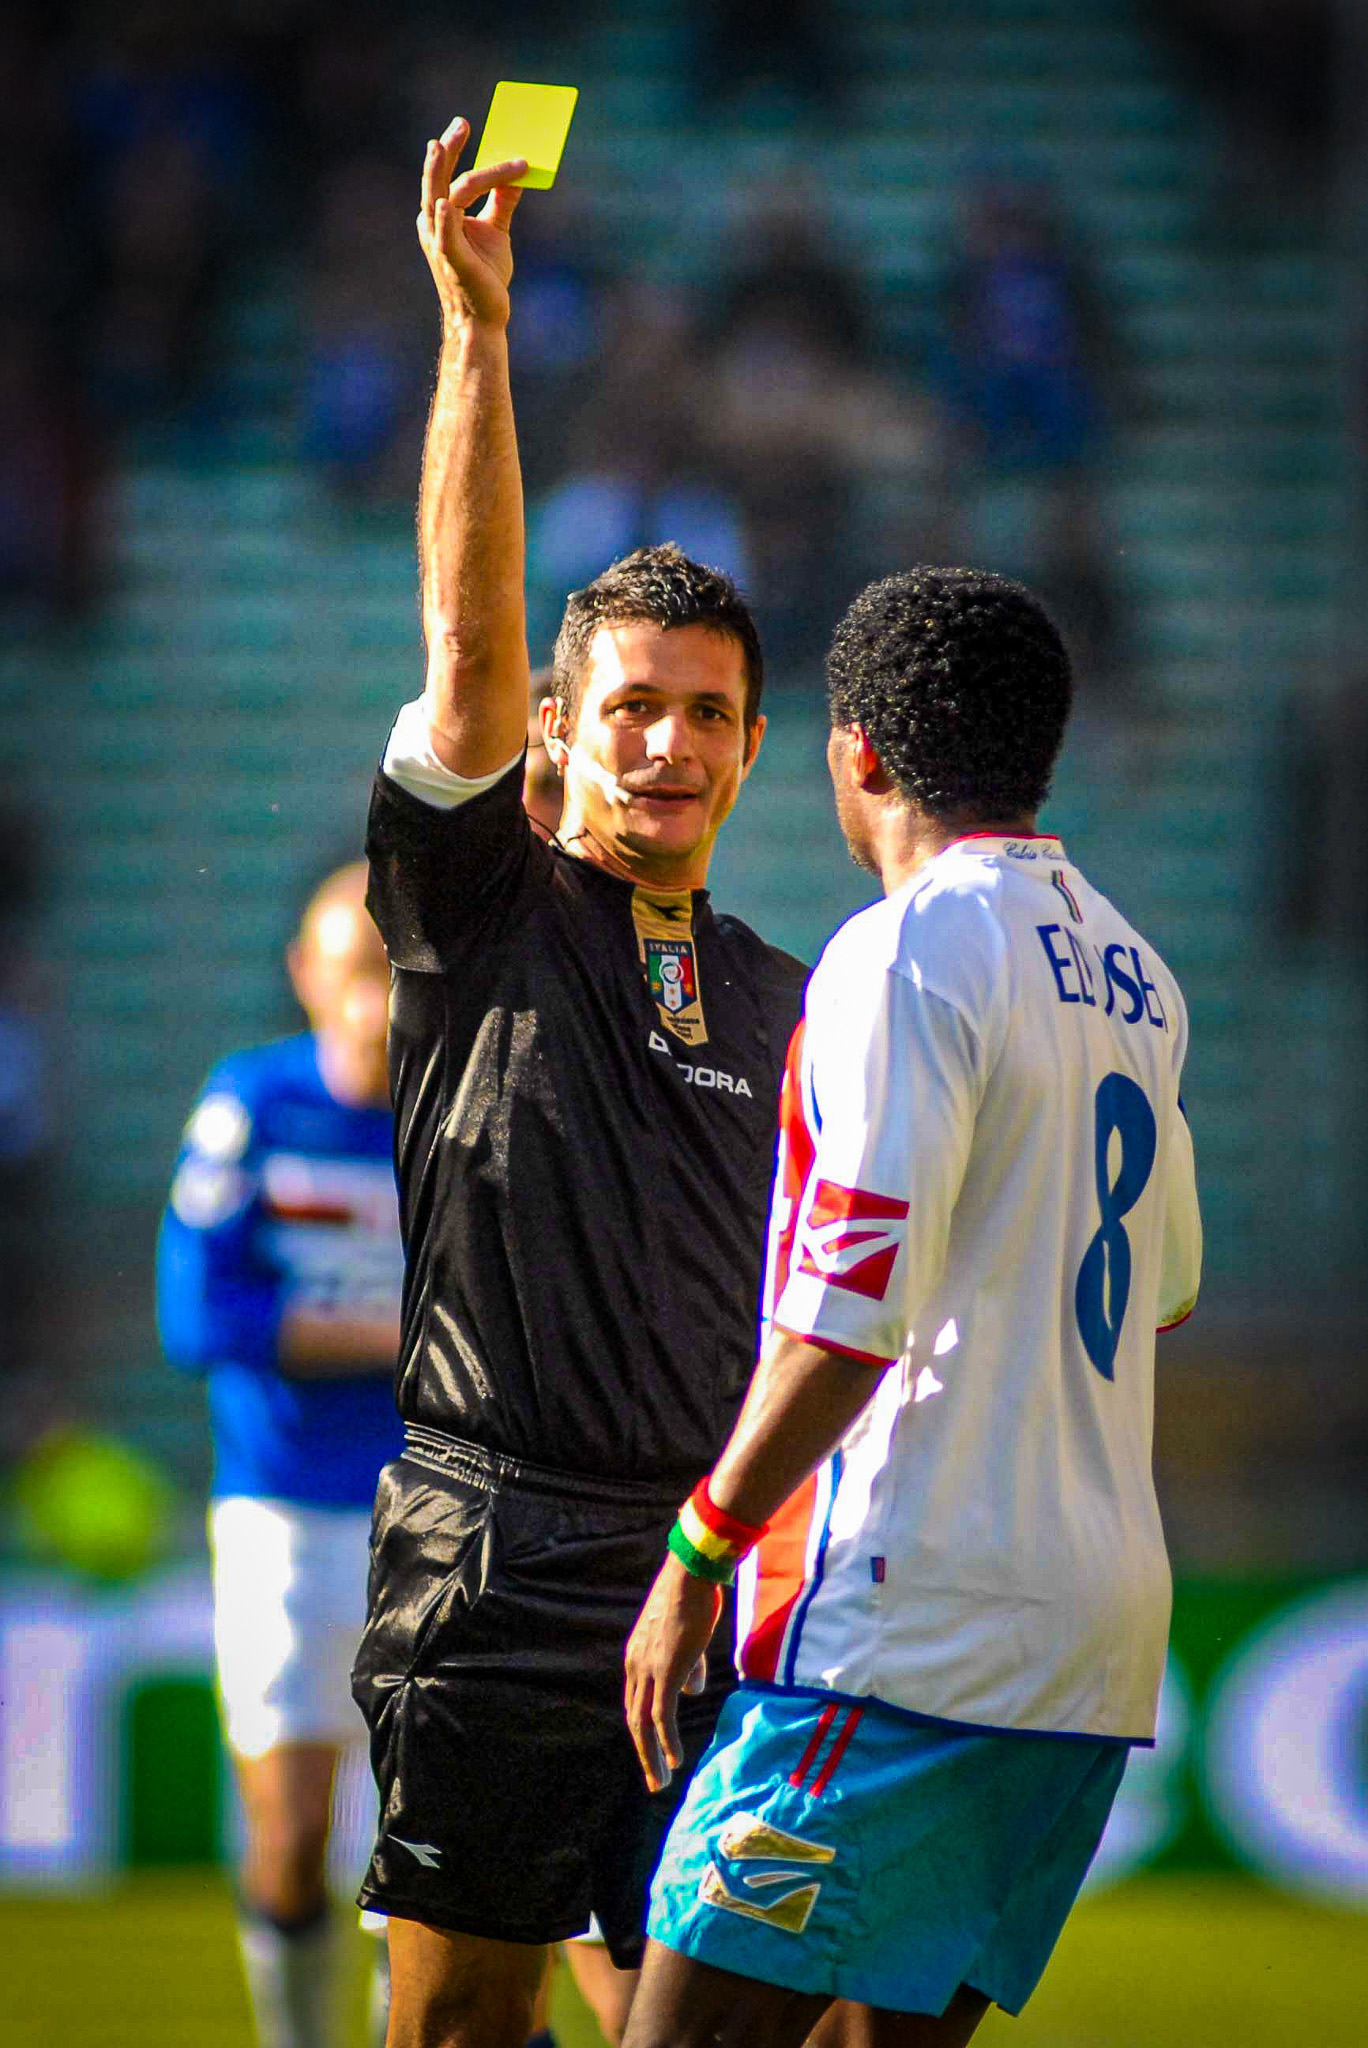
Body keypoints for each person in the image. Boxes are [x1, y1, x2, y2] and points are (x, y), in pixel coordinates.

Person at [348, 119, 808, 2048]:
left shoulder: (795, 998)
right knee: (463, 2028)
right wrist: (477, 333)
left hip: (710, 1576)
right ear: (558, 726)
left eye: (707, 712)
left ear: (754, 744)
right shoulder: (482, 905)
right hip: (495, 1554)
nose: (668, 744)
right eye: (630, 706)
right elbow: (463, 645)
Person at [623, 566, 1204, 2048]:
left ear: (858, 750)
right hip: (1090, 1643)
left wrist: (700, 1546)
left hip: (908, 1622)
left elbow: (850, 1314)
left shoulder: (899, 953)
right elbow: (1167, 1289)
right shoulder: (1138, 976)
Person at [157, 862, 405, 2048]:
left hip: (429, 1515)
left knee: (427, 1853)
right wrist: (401, 1341)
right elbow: (196, 1315)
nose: (373, 1000)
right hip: (284, 1512)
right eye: (353, 969)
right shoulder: (250, 1100)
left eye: (391, 971)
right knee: (292, 1833)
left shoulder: (454, 1108)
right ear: (306, 973)